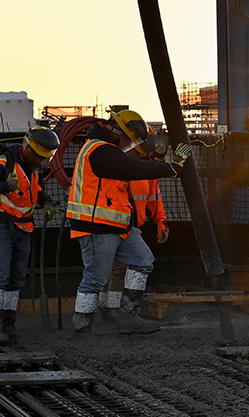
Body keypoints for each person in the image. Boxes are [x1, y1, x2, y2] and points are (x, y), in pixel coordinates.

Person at [67, 110, 190, 336]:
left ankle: (129, 316)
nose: (131, 145)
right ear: (119, 132)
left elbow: (131, 165)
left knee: (143, 261)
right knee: (96, 277)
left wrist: (159, 162)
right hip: (96, 227)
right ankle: (81, 324)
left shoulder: (107, 151)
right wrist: (172, 168)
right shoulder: (100, 150)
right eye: (131, 140)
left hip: (119, 226)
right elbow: (131, 167)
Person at [0, 126, 60, 346]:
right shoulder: (5, 161)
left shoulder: (33, 169)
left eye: (43, 157)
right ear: (27, 147)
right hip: (1, 227)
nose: (40, 161)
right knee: (1, 276)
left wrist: (47, 203)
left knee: (16, 279)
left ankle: (9, 325)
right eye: (37, 155)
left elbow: (37, 190)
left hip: (23, 229)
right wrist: (5, 185)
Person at [99, 128, 170, 322]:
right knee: (116, 270)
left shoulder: (144, 170)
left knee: (117, 270)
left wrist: (161, 222)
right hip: (112, 226)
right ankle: (115, 312)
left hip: (128, 228)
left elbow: (154, 199)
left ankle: (110, 310)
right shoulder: (119, 165)